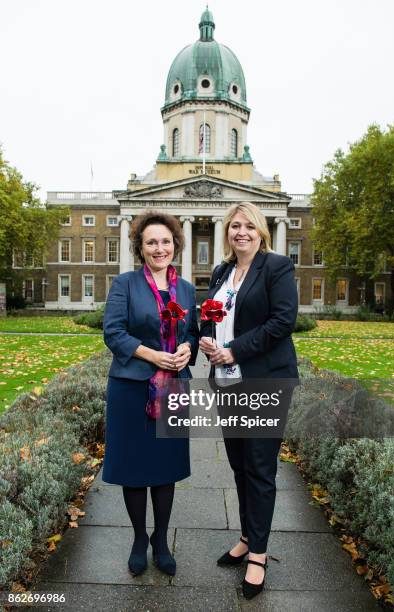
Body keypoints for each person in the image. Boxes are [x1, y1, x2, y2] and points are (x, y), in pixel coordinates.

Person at [199, 202, 298, 600]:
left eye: (249, 226)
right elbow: (212, 313)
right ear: (227, 232)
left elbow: (282, 321)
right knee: (240, 465)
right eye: (235, 226)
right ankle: (246, 535)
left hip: (264, 381)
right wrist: (207, 336)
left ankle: (257, 554)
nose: (241, 232)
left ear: (261, 232)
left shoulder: (275, 267)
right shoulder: (223, 271)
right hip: (228, 383)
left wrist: (235, 350)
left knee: (259, 468)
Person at [103, 211, 199, 577]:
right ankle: (139, 539)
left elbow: (192, 330)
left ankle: (161, 541)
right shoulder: (125, 284)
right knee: (133, 468)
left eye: (165, 241)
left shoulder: (187, 289)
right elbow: (113, 333)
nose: (159, 248)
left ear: (176, 244)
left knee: (165, 468)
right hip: (131, 388)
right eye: (151, 242)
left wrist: (188, 348)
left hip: (173, 387)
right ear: (140, 248)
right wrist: (151, 354)